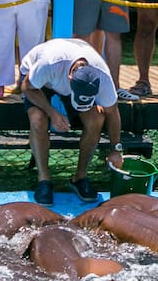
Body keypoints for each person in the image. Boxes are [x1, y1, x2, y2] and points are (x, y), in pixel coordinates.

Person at [19, 37, 124, 205]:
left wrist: (116, 149)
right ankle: (44, 180)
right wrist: (52, 112)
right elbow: (26, 87)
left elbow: (112, 112)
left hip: (65, 79)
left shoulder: (102, 77)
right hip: (38, 83)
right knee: (38, 120)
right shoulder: (49, 63)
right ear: (69, 77)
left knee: (96, 119)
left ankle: (79, 177)